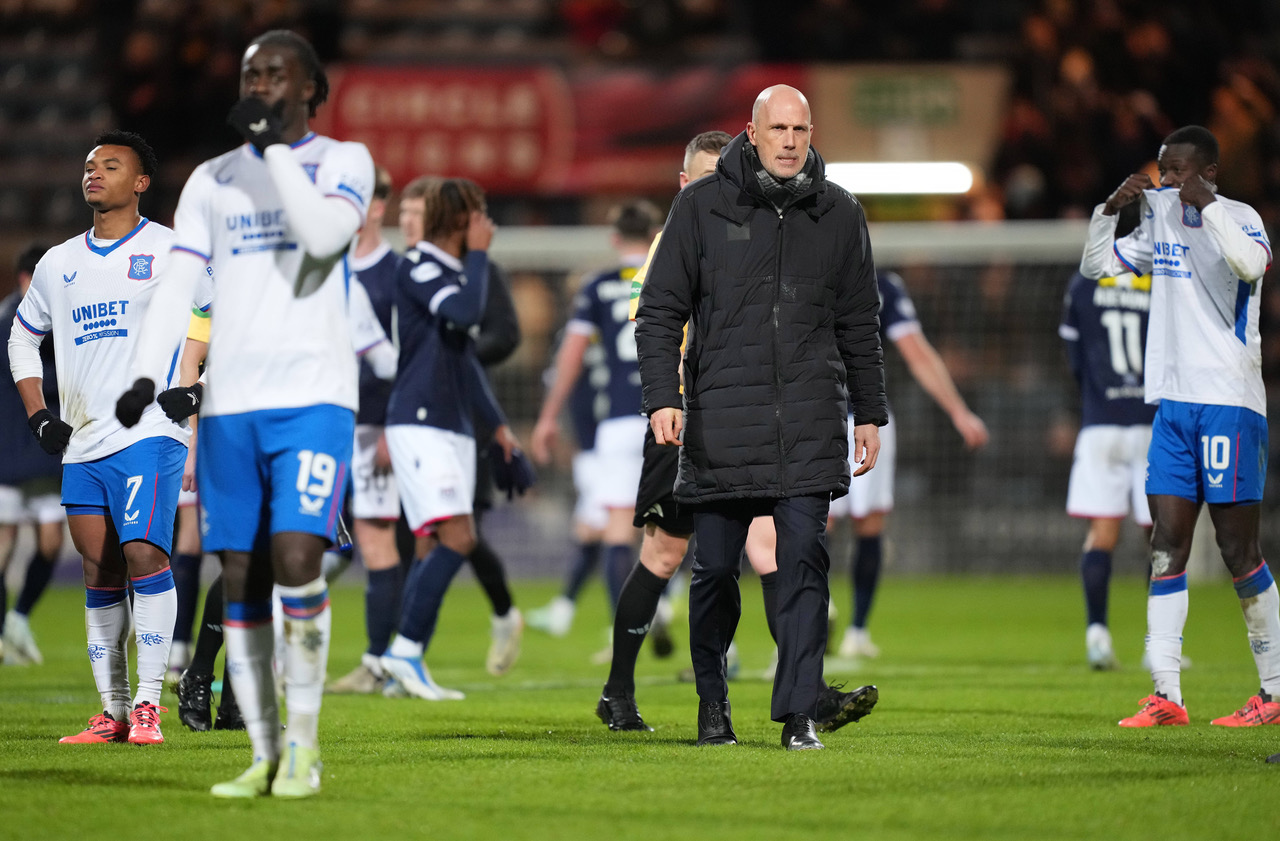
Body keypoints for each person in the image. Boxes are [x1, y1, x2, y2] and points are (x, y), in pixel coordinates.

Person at [119, 30, 375, 796]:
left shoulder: (343, 161)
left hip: (313, 396)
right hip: (230, 403)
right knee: (240, 575)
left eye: (275, 74)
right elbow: (180, 283)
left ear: (310, 89)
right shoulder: (211, 179)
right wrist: (144, 373)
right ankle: (263, 752)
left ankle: (303, 747)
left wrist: (273, 153)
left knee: (297, 557)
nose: (259, 84)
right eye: (250, 74)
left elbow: (324, 236)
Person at [635, 86, 888, 750]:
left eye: (799, 129)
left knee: (803, 563)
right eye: (777, 128)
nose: (789, 141)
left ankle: (800, 713)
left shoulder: (840, 213)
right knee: (716, 571)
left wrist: (869, 411)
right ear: (752, 132)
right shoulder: (700, 206)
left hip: (808, 422)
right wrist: (662, 397)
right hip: (722, 421)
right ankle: (713, 703)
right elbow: (659, 310)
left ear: (811, 133)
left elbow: (860, 322)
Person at [1079, 125, 1276, 728]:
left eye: (1178, 171)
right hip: (1172, 406)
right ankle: (1167, 695)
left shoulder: (1240, 217)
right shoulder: (1159, 218)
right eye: (1163, 170)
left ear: (1209, 172)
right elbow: (1096, 266)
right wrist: (1109, 211)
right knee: (1165, 544)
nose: (1166, 181)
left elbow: (1250, 264)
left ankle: (1274, 692)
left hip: (1228, 401)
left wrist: (1206, 205)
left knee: (1238, 549)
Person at [9, 131, 197, 746]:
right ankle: (112, 711)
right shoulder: (58, 263)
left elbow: (221, 316)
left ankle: (148, 705)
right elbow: (21, 338)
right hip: (83, 442)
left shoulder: (171, 251)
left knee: (145, 554)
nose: (95, 173)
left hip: (150, 431)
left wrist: (197, 390)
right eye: (90, 165)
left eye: (111, 165)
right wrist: (40, 415)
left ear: (140, 182)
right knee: (99, 569)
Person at [378, 177, 523, 700]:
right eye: (478, 213)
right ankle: (402, 651)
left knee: (435, 542)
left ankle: (405, 660)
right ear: (462, 220)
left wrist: (497, 425)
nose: (486, 223)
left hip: (451, 424)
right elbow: (465, 314)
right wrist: (480, 255)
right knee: (458, 537)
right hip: (421, 421)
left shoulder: (458, 271)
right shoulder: (418, 264)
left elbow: (465, 362)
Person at [830, 270, 989, 660]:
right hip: (862, 417)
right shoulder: (879, 284)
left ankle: (822, 618)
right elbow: (916, 352)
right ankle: (853, 629)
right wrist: (959, 411)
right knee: (860, 524)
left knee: (820, 521)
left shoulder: (810, 273)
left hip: (823, 415)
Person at [530, 200, 659, 656]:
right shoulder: (671, 275)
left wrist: (548, 416)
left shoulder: (598, 285)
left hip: (618, 422)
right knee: (683, 527)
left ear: (614, 238)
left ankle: (622, 636)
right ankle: (706, 633)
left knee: (617, 531)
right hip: (670, 416)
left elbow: (571, 355)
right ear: (655, 234)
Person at [1059, 267, 1154, 670]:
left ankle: (1097, 636)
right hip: (1153, 423)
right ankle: (1159, 645)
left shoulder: (1084, 283)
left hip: (1102, 423)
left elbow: (1073, 357)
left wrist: (1094, 396)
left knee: (1101, 534)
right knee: (1162, 537)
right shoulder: (1160, 278)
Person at [0, 243, 64, 666]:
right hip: (10, 451)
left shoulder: (53, 321)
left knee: (51, 542)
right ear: (27, 280)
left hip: (42, 453)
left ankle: (18, 619)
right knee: (3, 543)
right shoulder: (12, 321)